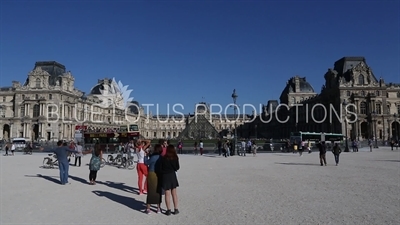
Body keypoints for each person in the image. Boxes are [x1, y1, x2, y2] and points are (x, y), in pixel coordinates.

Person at [160, 145, 180, 216]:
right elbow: (177, 167)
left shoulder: (163, 158)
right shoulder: (175, 157)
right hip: (172, 175)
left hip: (165, 175)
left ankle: (168, 210)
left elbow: (161, 168)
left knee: (167, 193)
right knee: (174, 193)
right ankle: (176, 209)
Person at [144, 144, 163, 214]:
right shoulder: (161, 157)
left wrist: (146, 156)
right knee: (158, 191)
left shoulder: (154, 157)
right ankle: (158, 208)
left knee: (151, 191)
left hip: (152, 173)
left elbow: (146, 162)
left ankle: (148, 208)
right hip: (159, 174)